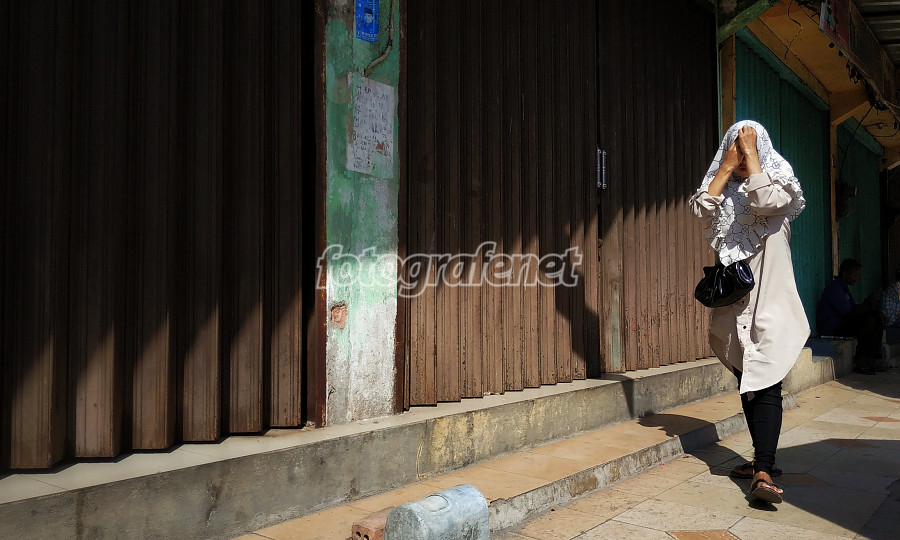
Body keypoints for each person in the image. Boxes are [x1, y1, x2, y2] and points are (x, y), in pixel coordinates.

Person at [690, 120, 809, 504]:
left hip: (770, 302)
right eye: (738, 149)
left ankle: (764, 471)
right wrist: (725, 167)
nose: (743, 158)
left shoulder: (780, 189)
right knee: (748, 380)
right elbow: (700, 209)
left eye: (750, 150)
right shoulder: (724, 195)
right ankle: (761, 462)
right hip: (734, 306)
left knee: (767, 381)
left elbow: (764, 202)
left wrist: (754, 157)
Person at [816, 258, 883, 374]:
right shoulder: (835, 288)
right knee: (868, 322)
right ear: (845, 274)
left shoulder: (844, 288)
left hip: (843, 322)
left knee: (876, 317)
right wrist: (869, 300)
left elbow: (854, 309)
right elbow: (850, 312)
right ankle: (861, 362)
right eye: (854, 275)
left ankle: (873, 360)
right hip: (833, 327)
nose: (856, 279)